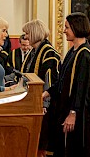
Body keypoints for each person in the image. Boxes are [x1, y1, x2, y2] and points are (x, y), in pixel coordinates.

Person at [42, 12, 90, 157]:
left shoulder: (84, 55)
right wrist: (46, 93)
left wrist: (73, 113)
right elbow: (62, 81)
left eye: (67, 27)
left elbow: (83, 88)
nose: (64, 30)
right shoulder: (72, 52)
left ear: (76, 28)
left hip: (80, 116)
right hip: (67, 109)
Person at [21, 19, 61, 157]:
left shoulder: (49, 53)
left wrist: (43, 104)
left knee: (43, 140)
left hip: (44, 105)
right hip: (33, 101)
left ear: (34, 33)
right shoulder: (34, 51)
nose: (25, 37)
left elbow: (49, 81)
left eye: (27, 33)